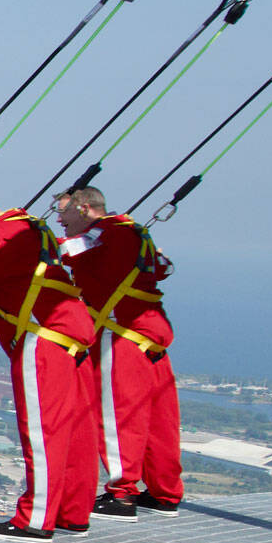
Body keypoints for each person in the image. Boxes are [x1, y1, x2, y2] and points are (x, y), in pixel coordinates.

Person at [0, 182, 103, 540]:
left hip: (43, 342)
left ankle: (33, 520)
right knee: (76, 431)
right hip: (72, 335)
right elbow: (18, 284)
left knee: (42, 432)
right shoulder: (32, 228)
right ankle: (73, 512)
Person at [55, 183, 183, 517]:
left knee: (118, 416)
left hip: (120, 338)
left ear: (83, 208)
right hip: (151, 337)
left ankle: (122, 492)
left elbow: (60, 250)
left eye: (64, 211)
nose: (59, 219)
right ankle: (164, 492)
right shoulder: (136, 234)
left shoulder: (103, 234)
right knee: (160, 421)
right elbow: (163, 268)